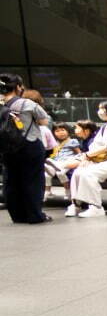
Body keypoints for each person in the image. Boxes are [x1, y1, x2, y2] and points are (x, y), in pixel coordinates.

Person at [1, 72, 52, 224]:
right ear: (18, 87)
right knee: (33, 180)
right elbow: (44, 122)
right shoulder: (27, 104)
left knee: (11, 180)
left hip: (7, 147)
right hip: (29, 145)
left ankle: (17, 215)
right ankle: (35, 215)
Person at [44, 122, 82, 199]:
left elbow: (79, 153)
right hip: (55, 161)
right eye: (57, 131)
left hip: (67, 161)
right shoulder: (54, 142)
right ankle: (47, 191)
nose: (60, 133)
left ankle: (67, 190)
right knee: (47, 174)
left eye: (62, 130)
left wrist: (77, 160)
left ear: (68, 131)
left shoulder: (72, 141)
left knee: (60, 173)